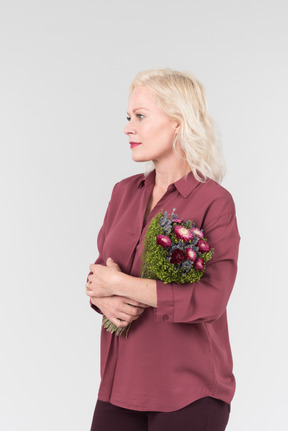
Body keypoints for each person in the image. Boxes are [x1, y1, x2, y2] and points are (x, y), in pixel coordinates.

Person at [85, 69, 240, 431]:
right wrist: (100, 296)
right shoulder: (123, 192)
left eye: (140, 116)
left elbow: (212, 299)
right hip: (118, 386)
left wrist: (120, 286)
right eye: (128, 118)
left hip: (189, 390)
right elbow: (99, 274)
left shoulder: (214, 201)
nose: (128, 128)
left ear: (177, 123)